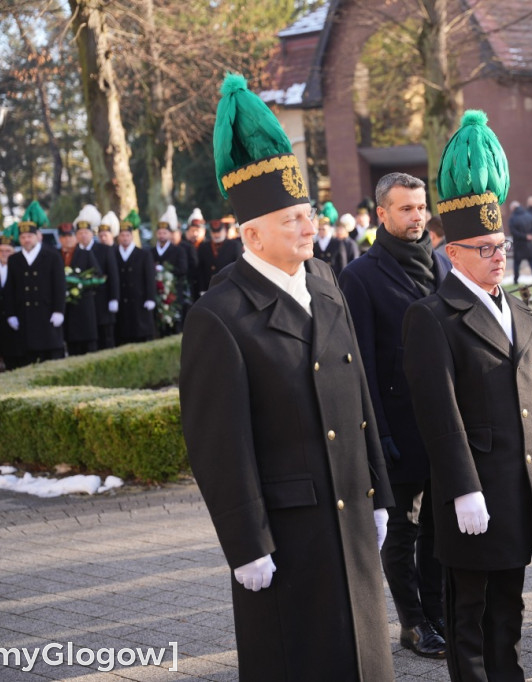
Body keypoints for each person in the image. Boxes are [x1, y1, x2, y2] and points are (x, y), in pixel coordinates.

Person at [180, 73, 394, 681]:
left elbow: (360, 396)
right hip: (288, 532)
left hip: (350, 510)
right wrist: (246, 543)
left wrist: (379, 489)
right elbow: (219, 446)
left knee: (365, 660)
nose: (309, 227)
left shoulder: (327, 282)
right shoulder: (218, 318)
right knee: (303, 660)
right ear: (251, 234)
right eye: (293, 219)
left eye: (308, 215)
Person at [402, 110, 532, 682]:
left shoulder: (520, 310)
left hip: (518, 487)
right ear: (453, 253)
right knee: (470, 613)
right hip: (473, 493)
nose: (498, 255)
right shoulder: (432, 317)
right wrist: (460, 489)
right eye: (484, 248)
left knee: (512, 605)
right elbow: (438, 414)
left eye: (500, 245)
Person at [340, 172, 451, 660]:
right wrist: (377, 433)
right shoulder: (359, 276)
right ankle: (413, 623)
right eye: (405, 209)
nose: (417, 217)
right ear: (381, 214)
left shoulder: (444, 264)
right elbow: (360, 362)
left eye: (421, 207)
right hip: (397, 429)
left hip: (443, 424)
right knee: (403, 530)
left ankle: (439, 611)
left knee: (438, 527)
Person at [6, 201, 66, 364]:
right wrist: (11, 314)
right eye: (23, 237)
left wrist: (59, 310)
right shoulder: (14, 260)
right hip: (24, 317)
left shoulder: (52, 256)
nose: (26, 240)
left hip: (47, 314)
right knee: (28, 358)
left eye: (29, 236)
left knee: (50, 358)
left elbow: (59, 285)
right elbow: (10, 289)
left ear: (37, 236)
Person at [79, 209, 120, 350]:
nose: (83, 236)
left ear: (91, 234)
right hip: (85, 303)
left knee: (106, 337)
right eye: (80, 233)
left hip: (103, 300)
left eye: (86, 233)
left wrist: (114, 298)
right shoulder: (76, 252)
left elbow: (113, 275)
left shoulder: (104, 249)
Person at [58, 221, 101, 356]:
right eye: (64, 237)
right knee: (71, 346)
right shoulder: (55, 255)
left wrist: (78, 282)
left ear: (75, 238)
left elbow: (97, 276)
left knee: (89, 347)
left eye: (70, 236)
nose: (68, 239)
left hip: (84, 306)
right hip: (66, 308)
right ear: (60, 239)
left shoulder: (85, 254)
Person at [114, 215, 156, 345]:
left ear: (132, 236)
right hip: (122, 301)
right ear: (118, 237)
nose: (125, 238)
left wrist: (150, 298)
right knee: (123, 335)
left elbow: (149, 277)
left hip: (139, 300)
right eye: (122, 235)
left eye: (127, 235)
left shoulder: (143, 254)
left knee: (140, 334)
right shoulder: (114, 254)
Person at [151, 206, 188, 336]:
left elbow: (183, 269)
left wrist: (166, 271)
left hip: (173, 293)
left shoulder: (178, 251)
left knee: (175, 323)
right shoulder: (150, 252)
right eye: (159, 233)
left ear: (170, 234)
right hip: (157, 293)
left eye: (164, 233)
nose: (162, 236)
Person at [0, 231, 23, 370]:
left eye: (8, 251)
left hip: (17, 319)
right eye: (1, 251)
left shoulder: (19, 266)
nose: (4, 254)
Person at [197, 215, 242, 297]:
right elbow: (200, 270)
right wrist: (202, 289)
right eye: (214, 232)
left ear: (225, 231)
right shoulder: (203, 247)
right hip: (208, 288)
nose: (216, 235)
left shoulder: (235, 246)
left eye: (219, 232)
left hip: (228, 288)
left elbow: (238, 268)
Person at [508, 200, 532, 284]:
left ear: (513, 208)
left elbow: (513, 232)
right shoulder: (529, 215)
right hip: (530, 245)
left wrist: (524, 236)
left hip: (519, 245)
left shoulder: (512, 218)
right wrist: (531, 235)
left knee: (517, 265)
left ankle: (516, 280)